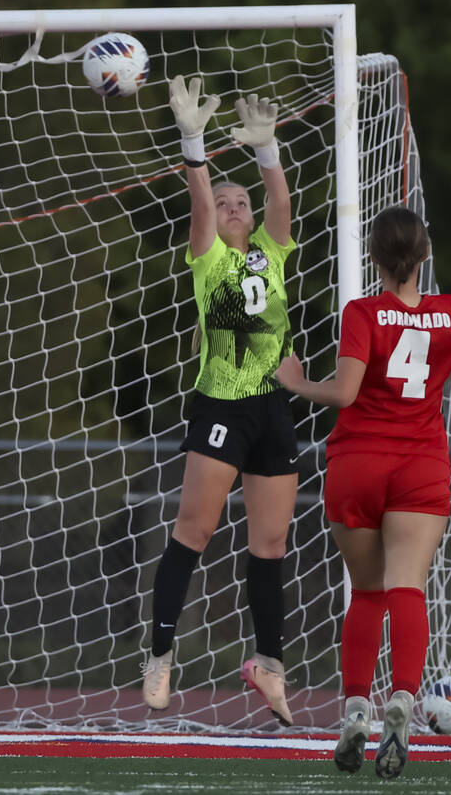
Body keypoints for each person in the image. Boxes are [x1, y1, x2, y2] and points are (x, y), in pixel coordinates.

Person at [274, 206, 451, 777]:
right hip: (420, 464)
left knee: (367, 592)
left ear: (374, 256)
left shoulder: (363, 312)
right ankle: (402, 697)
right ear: (424, 257)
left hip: (358, 462)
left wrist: (297, 383)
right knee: (407, 586)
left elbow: (346, 393)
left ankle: (354, 708)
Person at [140, 75, 299, 727]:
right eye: (227, 200)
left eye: (242, 200)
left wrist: (268, 155)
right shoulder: (208, 258)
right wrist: (193, 141)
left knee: (270, 542)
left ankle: (267, 663)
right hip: (220, 408)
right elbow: (201, 204)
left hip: (271, 410)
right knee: (195, 530)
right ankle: (159, 655)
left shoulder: (271, 253)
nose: (234, 206)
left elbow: (281, 203)